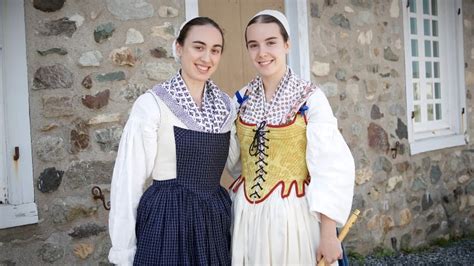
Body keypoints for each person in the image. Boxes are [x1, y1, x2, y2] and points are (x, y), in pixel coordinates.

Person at [226, 10, 355, 266]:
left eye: (271, 42)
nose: (262, 53)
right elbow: (232, 161)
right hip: (247, 215)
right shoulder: (240, 100)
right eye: (254, 45)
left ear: (287, 44)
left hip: (293, 217)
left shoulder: (310, 98)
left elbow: (331, 168)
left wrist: (329, 235)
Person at [108, 17, 235, 266]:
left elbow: (238, 165)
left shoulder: (226, 106)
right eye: (198, 47)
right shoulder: (152, 104)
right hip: (168, 221)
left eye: (215, 50)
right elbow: (128, 181)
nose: (207, 58)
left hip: (213, 224)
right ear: (179, 48)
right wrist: (123, 250)